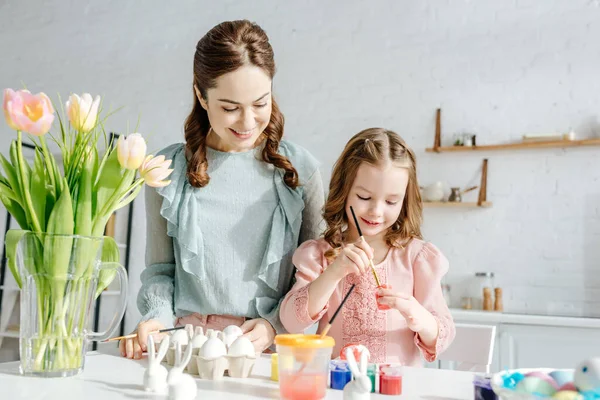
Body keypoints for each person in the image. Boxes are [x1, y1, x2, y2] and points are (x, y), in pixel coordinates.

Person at [120, 20, 324, 359]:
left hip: (270, 357)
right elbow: (159, 271)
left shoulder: (301, 170)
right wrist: (156, 317)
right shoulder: (164, 170)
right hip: (186, 352)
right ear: (201, 95)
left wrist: (275, 325)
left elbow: (315, 277)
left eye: (261, 103)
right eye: (230, 108)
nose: (247, 123)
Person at [280, 128, 455, 365]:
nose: (376, 211)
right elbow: (290, 320)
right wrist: (333, 273)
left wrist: (417, 315)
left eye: (391, 201)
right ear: (344, 190)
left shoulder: (417, 258)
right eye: (364, 197)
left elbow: (443, 335)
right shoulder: (322, 254)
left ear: (404, 201)